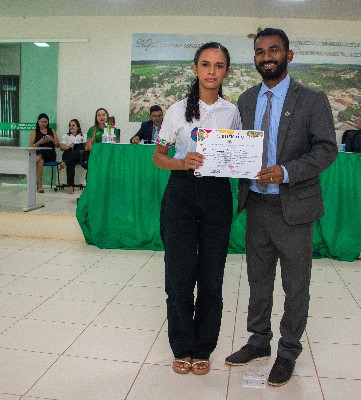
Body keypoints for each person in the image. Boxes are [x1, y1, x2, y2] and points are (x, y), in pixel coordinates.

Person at [224, 28, 336, 387]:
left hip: (294, 207)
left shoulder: (312, 99)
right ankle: (259, 341)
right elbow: (236, 147)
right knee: (258, 280)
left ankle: (288, 351)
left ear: (289, 55)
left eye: (274, 50)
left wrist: (286, 172)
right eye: (260, 52)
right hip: (256, 204)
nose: (266, 57)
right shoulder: (246, 99)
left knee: (295, 284)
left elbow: (326, 149)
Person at [153, 42, 241, 376]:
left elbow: (236, 156)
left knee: (211, 277)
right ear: (195, 68)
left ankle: (203, 347)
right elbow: (158, 157)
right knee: (179, 276)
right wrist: (182, 162)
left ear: (226, 72)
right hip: (181, 194)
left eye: (219, 66)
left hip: (217, 194)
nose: (211, 71)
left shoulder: (231, 112)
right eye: (206, 64)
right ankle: (182, 346)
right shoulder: (176, 110)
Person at [29, 113, 59, 193]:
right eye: (42, 122)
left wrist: (52, 139)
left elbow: (58, 145)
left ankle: (27, 167)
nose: (44, 123)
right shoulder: (34, 132)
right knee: (40, 160)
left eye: (45, 122)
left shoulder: (51, 130)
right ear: (38, 122)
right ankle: (40, 187)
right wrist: (40, 142)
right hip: (39, 155)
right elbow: (31, 146)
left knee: (40, 156)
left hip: (50, 154)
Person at [58, 119, 86, 194]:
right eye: (70, 126)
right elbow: (61, 147)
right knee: (71, 162)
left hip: (79, 157)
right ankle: (70, 186)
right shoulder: (66, 136)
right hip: (68, 153)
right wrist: (68, 146)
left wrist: (77, 146)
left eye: (73, 125)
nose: (71, 127)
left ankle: (65, 163)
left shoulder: (83, 136)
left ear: (78, 127)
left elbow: (85, 147)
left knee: (80, 146)